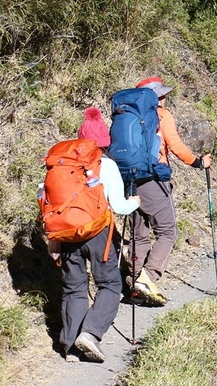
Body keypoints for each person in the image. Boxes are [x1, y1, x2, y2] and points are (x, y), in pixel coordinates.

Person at [128, 76, 212, 306]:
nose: (165, 99)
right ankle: (149, 278)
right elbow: (174, 145)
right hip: (153, 180)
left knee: (139, 235)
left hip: (129, 181)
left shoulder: (126, 116)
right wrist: (198, 162)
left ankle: (135, 285)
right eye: (161, 95)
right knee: (168, 232)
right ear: (154, 97)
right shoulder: (161, 116)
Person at [58, 145, 140, 363]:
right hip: (97, 232)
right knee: (110, 285)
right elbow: (119, 207)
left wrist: (52, 240)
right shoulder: (106, 164)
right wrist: (134, 202)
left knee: (74, 288)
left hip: (66, 233)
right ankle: (90, 333)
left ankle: (70, 349)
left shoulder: (63, 163)